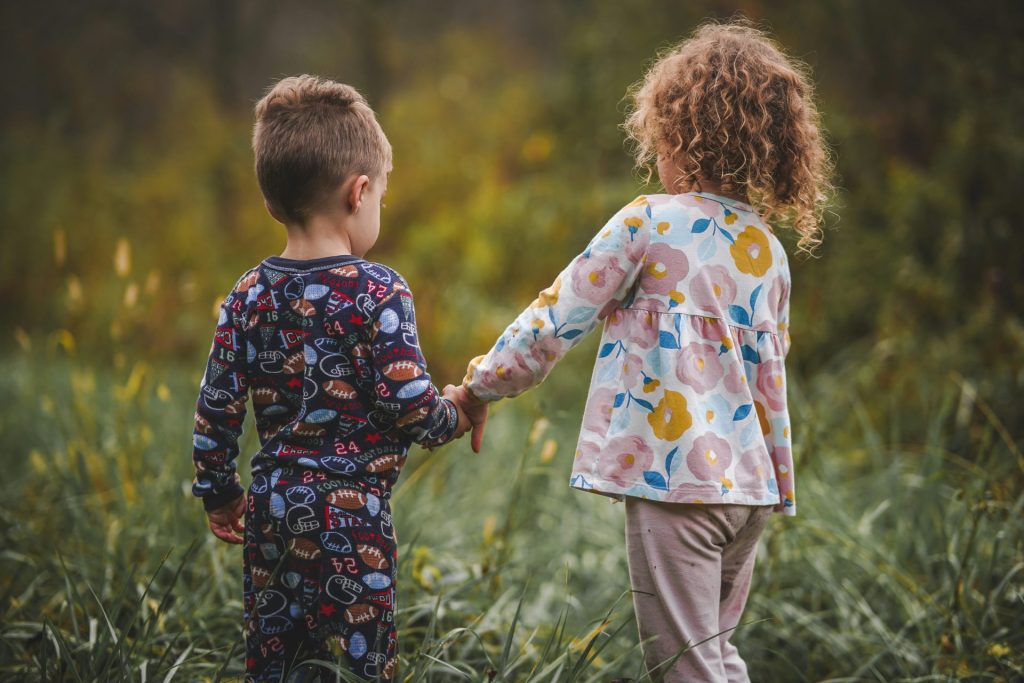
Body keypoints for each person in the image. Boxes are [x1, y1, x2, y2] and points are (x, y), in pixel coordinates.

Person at [450, 21, 832, 682]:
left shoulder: (650, 222)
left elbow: (554, 318)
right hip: (748, 491)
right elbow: (770, 375)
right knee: (715, 657)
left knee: (685, 669)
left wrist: (479, 386)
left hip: (676, 483)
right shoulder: (767, 251)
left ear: (682, 136)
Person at [190, 75, 473, 682]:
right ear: (359, 191)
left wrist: (219, 490)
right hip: (352, 518)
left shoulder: (247, 294)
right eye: (382, 197)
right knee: (360, 662)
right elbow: (413, 407)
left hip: (270, 513)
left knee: (277, 660)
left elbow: (216, 407)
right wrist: (461, 409)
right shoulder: (379, 290)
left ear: (271, 203)